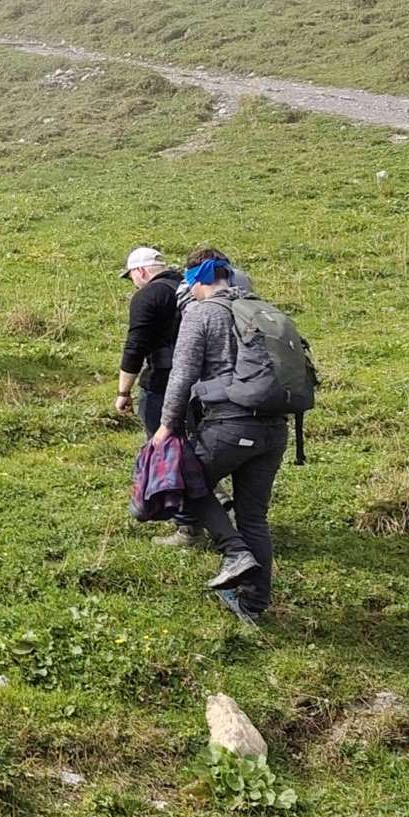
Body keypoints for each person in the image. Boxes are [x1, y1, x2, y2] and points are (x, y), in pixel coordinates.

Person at [152, 256, 285, 625]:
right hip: (275, 428)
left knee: (184, 480)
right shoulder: (259, 308)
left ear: (199, 279)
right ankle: (254, 605)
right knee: (253, 516)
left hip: (230, 423)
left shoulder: (201, 313)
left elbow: (182, 375)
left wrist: (166, 425)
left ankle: (234, 551)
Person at [117, 246, 197, 547]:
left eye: (131, 278)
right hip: (203, 386)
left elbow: (135, 345)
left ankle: (188, 526)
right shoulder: (190, 289)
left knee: (168, 452)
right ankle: (216, 506)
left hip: (163, 384)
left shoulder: (149, 295)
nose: (133, 283)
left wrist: (123, 391)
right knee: (192, 448)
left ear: (140, 271)